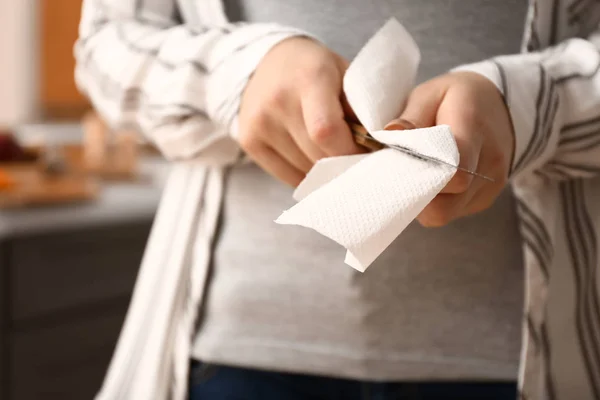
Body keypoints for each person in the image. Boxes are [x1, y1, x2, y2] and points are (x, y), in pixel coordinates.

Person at [75, 0, 600, 399]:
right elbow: (107, 46)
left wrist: (535, 104)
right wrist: (238, 72)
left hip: (529, 361)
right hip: (232, 351)